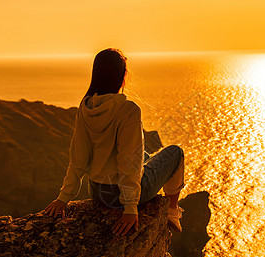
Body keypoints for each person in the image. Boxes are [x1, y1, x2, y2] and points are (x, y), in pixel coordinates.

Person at [43, 48, 185, 236]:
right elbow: (129, 162)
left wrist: (63, 198)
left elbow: (79, 158)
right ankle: (172, 210)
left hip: (97, 191)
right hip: (118, 197)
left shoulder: (86, 106)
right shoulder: (128, 110)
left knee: (144, 155)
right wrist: (130, 208)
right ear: (122, 75)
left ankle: (161, 199)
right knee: (175, 152)